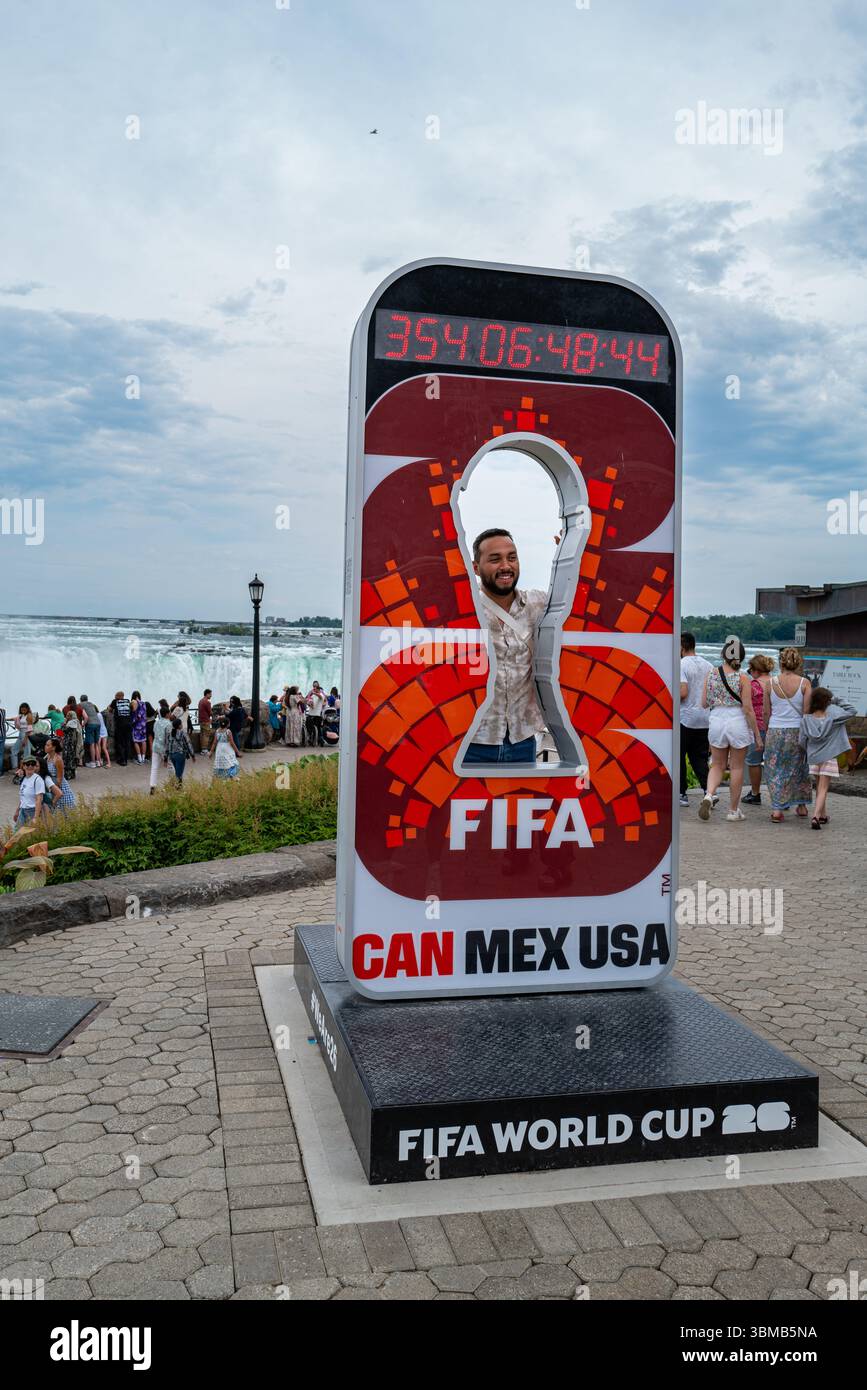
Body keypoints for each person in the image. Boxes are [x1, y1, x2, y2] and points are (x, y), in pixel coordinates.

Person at [465, 529, 547, 765]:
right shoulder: (463, 610)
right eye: (495, 559)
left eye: (512, 557)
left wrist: (573, 554)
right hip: (470, 742)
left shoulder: (538, 604)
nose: (505, 566)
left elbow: (582, 601)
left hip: (523, 742)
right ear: (476, 567)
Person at [697, 639, 762, 822]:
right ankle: (733, 811)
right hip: (737, 721)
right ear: (741, 657)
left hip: (716, 719)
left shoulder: (711, 674)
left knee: (717, 764)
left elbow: (703, 703)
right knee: (737, 767)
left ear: (723, 655)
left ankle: (709, 795)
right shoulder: (743, 678)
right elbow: (748, 709)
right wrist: (757, 735)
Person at [763, 648, 812, 823]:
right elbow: (806, 713)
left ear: (780, 663)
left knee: (775, 769)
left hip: (775, 730)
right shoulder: (805, 683)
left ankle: (777, 809)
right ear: (798, 663)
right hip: (797, 731)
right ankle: (801, 805)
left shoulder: (770, 683)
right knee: (799, 768)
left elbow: (766, 712)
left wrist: (768, 731)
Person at [798, 687, 856, 830]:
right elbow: (852, 710)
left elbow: (801, 741)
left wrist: (810, 751)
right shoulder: (834, 718)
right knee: (823, 788)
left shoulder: (806, 719)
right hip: (829, 757)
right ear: (827, 702)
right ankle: (816, 817)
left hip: (813, 757)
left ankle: (823, 815)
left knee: (819, 786)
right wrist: (835, 699)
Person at [679, 633, 713, 806]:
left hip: (686, 718)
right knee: (699, 757)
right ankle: (708, 792)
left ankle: (681, 794)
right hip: (705, 718)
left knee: (679, 755)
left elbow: (683, 693)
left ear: (682, 646)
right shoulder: (708, 665)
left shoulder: (681, 664)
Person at [742, 654, 774, 805]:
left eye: (750, 670)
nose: (750, 673)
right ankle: (779, 796)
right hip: (775, 727)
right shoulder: (776, 682)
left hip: (758, 727)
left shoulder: (754, 685)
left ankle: (755, 794)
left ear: (756, 670)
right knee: (775, 763)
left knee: (754, 762)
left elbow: (747, 707)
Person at [44, 737, 76, 813]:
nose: (45, 746)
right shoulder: (48, 756)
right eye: (46, 745)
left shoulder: (58, 759)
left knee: (65, 811)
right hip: (52, 785)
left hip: (59, 786)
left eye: (48, 745)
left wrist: (55, 791)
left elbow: (59, 778)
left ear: (53, 747)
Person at [15, 755, 46, 826]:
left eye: (33, 764)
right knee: (17, 834)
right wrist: (17, 810)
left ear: (35, 766)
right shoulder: (25, 779)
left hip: (32, 811)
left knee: (28, 835)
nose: (30, 766)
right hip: (23, 811)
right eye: (28, 764)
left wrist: (36, 817)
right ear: (23, 766)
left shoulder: (38, 780)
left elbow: (39, 799)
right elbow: (23, 797)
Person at [150, 699, 172, 794]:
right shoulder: (169, 724)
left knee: (154, 767)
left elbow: (155, 733)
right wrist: (166, 755)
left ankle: (152, 787)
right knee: (171, 766)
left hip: (155, 747)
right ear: (167, 714)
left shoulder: (156, 722)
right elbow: (168, 740)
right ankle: (174, 784)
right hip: (164, 748)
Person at [165, 716, 196, 785]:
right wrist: (192, 755)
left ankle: (179, 786)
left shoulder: (170, 733)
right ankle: (178, 787)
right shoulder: (183, 733)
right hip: (180, 755)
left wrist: (166, 757)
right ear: (179, 725)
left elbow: (167, 745)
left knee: (177, 771)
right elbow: (188, 744)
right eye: (181, 724)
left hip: (172, 755)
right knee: (179, 773)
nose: (182, 725)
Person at [111, 691, 133, 766]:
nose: (115, 697)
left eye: (115, 696)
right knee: (127, 742)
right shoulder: (127, 701)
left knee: (120, 742)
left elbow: (109, 710)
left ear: (118, 696)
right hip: (129, 724)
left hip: (120, 725)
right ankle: (126, 759)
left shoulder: (115, 701)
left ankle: (122, 760)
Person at [79, 693, 101, 768]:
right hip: (98, 723)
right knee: (96, 743)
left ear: (81, 699)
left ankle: (93, 762)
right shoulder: (91, 704)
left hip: (90, 724)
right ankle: (98, 761)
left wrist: (83, 724)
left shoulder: (80, 705)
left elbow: (86, 717)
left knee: (91, 744)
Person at [10, 703, 34, 772]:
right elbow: (16, 718)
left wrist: (25, 739)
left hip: (26, 734)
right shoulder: (22, 715)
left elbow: (29, 729)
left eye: (25, 707)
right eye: (22, 707)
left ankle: (26, 769)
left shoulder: (29, 716)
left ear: (27, 708)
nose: (23, 709)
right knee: (14, 749)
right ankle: (15, 768)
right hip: (21, 734)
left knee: (27, 753)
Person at [62, 705, 84, 779]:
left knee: (68, 759)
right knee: (72, 759)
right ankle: (72, 774)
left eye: (69, 715)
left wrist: (64, 722)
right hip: (72, 744)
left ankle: (68, 775)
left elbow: (63, 730)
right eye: (67, 715)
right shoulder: (76, 722)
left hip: (69, 744)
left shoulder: (72, 723)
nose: (67, 716)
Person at [305, 682, 327, 747]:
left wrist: (314, 693)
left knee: (318, 728)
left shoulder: (321, 695)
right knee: (308, 725)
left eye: (315, 688)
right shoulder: (312, 696)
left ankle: (320, 740)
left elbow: (320, 697)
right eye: (313, 687)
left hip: (317, 714)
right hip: (311, 713)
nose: (314, 688)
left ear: (318, 689)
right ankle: (310, 737)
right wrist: (309, 703)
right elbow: (311, 705)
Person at [130, 691, 148, 764]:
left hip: (137, 725)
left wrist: (132, 722)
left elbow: (135, 714)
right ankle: (143, 758)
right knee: (143, 741)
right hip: (143, 725)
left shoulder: (134, 702)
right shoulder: (144, 703)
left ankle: (139, 758)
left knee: (136, 741)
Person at [197, 689, 213, 753]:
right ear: (207, 694)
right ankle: (205, 750)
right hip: (206, 720)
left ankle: (202, 749)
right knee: (206, 735)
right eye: (210, 694)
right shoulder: (207, 702)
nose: (211, 696)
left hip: (201, 720)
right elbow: (210, 712)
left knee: (202, 734)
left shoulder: (200, 701)